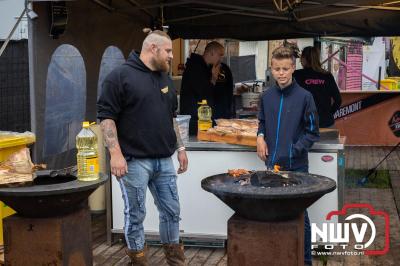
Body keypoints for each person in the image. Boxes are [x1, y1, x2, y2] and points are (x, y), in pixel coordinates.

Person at [97, 30, 188, 266]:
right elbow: (107, 118)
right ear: (153, 49)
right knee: (135, 216)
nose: (171, 56)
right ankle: (138, 262)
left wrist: (181, 148)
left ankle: (175, 261)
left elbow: (172, 117)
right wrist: (115, 154)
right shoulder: (119, 76)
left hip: (164, 161)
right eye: (168, 51)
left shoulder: (165, 78)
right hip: (133, 161)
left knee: (172, 212)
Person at [256, 46, 320, 266]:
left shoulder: (305, 97)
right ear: (271, 70)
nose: (281, 73)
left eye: (285, 68)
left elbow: (313, 132)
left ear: (293, 68)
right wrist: (260, 137)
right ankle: (278, 257)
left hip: (296, 168)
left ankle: (306, 261)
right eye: (277, 69)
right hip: (272, 166)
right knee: (273, 214)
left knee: (301, 216)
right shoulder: (266, 97)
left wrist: (294, 150)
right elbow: (262, 122)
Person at [180, 41, 233, 135]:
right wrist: (213, 78)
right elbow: (203, 94)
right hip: (195, 121)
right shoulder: (195, 68)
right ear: (211, 53)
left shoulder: (206, 68)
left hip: (203, 119)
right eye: (220, 55)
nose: (221, 58)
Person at [293, 46, 342, 128]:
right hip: (326, 123)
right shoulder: (327, 76)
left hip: (305, 125)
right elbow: (338, 100)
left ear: (304, 59)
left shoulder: (297, 75)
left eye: (301, 57)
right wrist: (328, 114)